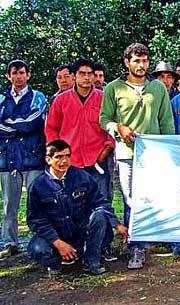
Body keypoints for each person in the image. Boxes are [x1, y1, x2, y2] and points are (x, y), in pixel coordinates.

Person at [100, 42, 175, 269]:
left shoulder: (158, 88)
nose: (141, 65)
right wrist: (118, 128)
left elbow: (166, 122)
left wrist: (169, 150)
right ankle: (135, 248)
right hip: (126, 153)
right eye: (136, 61)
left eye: (144, 61)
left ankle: (162, 239)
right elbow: (103, 119)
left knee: (157, 197)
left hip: (154, 155)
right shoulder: (113, 88)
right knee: (132, 200)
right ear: (127, 62)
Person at [45, 58, 116, 260]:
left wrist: (107, 148)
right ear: (74, 76)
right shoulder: (61, 100)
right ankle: (75, 246)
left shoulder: (103, 98)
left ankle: (104, 245)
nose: (86, 78)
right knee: (71, 205)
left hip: (97, 161)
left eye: (90, 74)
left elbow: (112, 125)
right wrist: (57, 155)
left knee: (102, 203)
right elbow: (51, 129)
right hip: (71, 162)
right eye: (82, 74)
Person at [27, 140, 128, 275]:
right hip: (57, 235)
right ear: (48, 159)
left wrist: (116, 224)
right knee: (38, 249)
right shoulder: (38, 186)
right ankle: (60, 262)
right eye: (58, 157)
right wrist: (58, 243)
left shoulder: (81, 177)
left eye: (67, 156)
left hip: (81, 231)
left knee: (100, 216)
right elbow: (36, 220)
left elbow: (100, 202)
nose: (64, 161)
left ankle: (91, 261)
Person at [0, 60, 47, 258]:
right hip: (7, 157)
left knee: (36, 201)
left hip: (33, 156)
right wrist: (18, 126)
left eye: (22, 73)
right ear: (8, 76)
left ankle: (40, 240)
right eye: (14, 73)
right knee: (9, 204)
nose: (18, 76)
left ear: (28, 75)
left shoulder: (38, 96)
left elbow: (34, 121)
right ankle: (10, 242)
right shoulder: (1, 98)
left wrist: (9, 124)